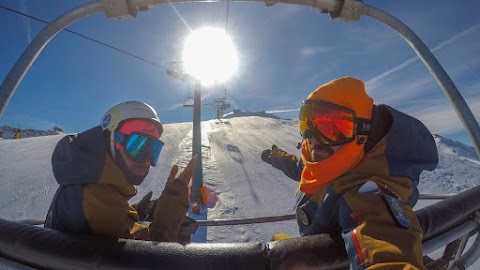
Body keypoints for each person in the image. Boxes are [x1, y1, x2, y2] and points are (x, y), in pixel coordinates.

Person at [261, 77, 438, 269]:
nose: (314, 139)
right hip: (314, 251)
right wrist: (276, 157)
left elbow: (383, 241)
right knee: (277, 243)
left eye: (333, 128)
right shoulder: (332, 163)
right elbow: (301, 168)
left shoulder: (367, 190)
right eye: (308, 124)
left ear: (363, 134)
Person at [45, 101, 197, 243]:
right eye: (139, 146)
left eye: (153, 150)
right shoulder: (93, 198)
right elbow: (153, 253)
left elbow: (113, 222)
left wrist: (137, 211)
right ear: (110, 141)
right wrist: (172, 208)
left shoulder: (87, 186)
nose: (147, 161)